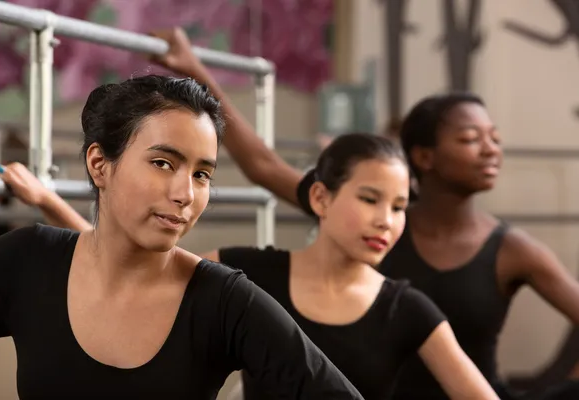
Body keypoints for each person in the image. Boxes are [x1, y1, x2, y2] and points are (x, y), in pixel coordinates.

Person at [139, 28, 579, 399]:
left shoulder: (483, 265)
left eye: (398, 205)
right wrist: (194, 70)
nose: (491, 150)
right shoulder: (288, 253)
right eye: (470, 138)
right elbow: (262, 166)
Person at [0, 132, 500, 399]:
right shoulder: (246, 276)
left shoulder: (407, 307)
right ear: (321, 197)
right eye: (370, 199)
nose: (386, 221)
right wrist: (47, 201)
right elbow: (125, 258)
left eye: (398, 207)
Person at [0, 75, 366, 399]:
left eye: (202, 174)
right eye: (163, 163)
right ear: (100, 165)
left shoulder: (224, 301)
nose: (186, 194)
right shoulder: (29, 260)